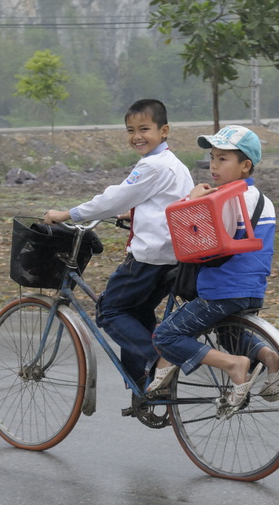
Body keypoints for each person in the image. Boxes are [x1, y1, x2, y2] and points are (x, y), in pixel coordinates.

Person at [44, 99, 194, 386]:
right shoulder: (174, 164)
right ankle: (147, 384)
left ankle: (157, 360)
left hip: (150, 258)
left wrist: (68, 214)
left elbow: (114, 197)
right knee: (136, 312)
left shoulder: (151, 166)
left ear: (164, 131)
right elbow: (162, 202)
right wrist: (133, 213)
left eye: (144, 129)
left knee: (109, 310)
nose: (136, 136)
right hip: (173, 254)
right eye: (130, 130)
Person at [148, 125, 279, 407]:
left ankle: (233, 365)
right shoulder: (265, 201)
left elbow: (199, 242)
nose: (214, 165)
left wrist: (192, 201)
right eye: (212, 158)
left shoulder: (224, 200)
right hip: (252, 289)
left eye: (223, 159)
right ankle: (268, 357)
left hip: (221, 290)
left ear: (245, 165)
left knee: (165, 335)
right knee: (228, 334)